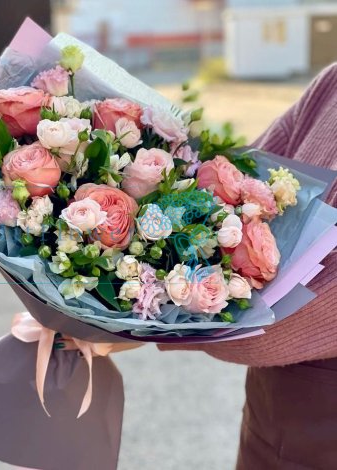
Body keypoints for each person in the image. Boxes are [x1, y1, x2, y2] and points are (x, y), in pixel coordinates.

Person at [159, 63, 337, 469]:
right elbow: (240, 182)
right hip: (276, 412)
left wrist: (156, 318)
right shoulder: (331, 84)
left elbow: (322, 307)